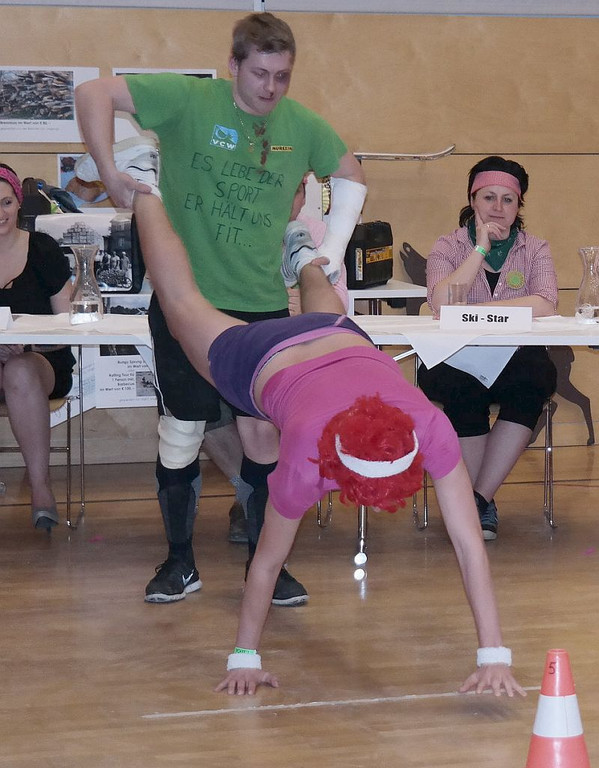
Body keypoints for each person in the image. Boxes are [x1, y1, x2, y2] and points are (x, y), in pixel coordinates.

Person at [91, 145, 524, 698]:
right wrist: (243, 656)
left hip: (339, 337)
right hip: (260, 358)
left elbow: (467, 545)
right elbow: (266, 562)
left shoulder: (428, 428)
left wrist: (495, 654)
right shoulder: (307, 453)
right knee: (179, 304)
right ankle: (148, 187)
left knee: (322, 314)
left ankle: (303, 257)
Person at [74, 12, 366, 605]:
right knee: (181, 430)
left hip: (262, 309)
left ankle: (267, 565)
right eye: (259, 73)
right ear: (233, 64)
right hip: (186, 299)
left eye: (282, 76)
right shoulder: (190, 100)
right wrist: (109, 172)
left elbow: (351, 175)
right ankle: (179, 562)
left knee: (263, 436)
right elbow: (93, 93)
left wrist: (331, 251)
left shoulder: (302, 124)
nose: (270, 88)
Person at [418, 156, 558, 541]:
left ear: (518, 205)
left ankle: (476, 500)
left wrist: (477, 312)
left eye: (507, 199)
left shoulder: (535, 248)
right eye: (488, 197)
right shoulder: (447, 246)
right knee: (462, 388)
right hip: (455, 356)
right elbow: (441, 303)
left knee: (535, 380)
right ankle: (478, 504)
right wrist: (479, 250)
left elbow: (546, 301)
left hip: (515, 356)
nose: (498, 207)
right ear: (472, 200)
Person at [0, 163, 75, 530]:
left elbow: (68, 326)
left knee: (19, 370)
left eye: (6, 202)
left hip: (42, 361)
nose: (0, 213)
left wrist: (25, 343)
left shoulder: (43, 249)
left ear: (18, 203)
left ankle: (41, 488)